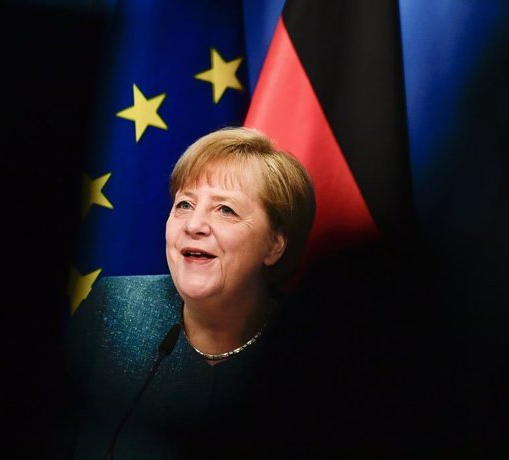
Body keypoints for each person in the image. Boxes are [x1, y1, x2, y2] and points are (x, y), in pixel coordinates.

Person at [52, 126, 316, 459]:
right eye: (184, 205)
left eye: (225, 210)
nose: (193, 225)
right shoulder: (114, 310)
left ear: (274, 245)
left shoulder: (310, 352)